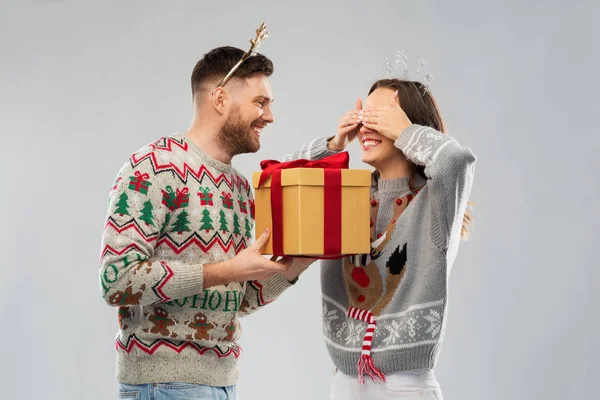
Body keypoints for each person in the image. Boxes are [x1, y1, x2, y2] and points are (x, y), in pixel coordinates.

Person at [100, 46, 314, 400]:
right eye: (261, 102)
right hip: (162, 385)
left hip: (222, 383)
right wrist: (225, 270)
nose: (270, 116)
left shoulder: (240, 188)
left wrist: (293, 268)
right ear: (220, 99)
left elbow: (235, 300)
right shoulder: (154, 166)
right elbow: (116, 280)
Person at [283, 78, 476, 399]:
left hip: (405, 387)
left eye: (380, 117)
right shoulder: (346, 194)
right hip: (344, 383)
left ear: (409, 126)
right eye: (364, 117)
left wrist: (404, 130)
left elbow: (457, 161)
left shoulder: (434, 202)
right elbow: (283, 180)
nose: (366, 127)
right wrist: (333, 144)